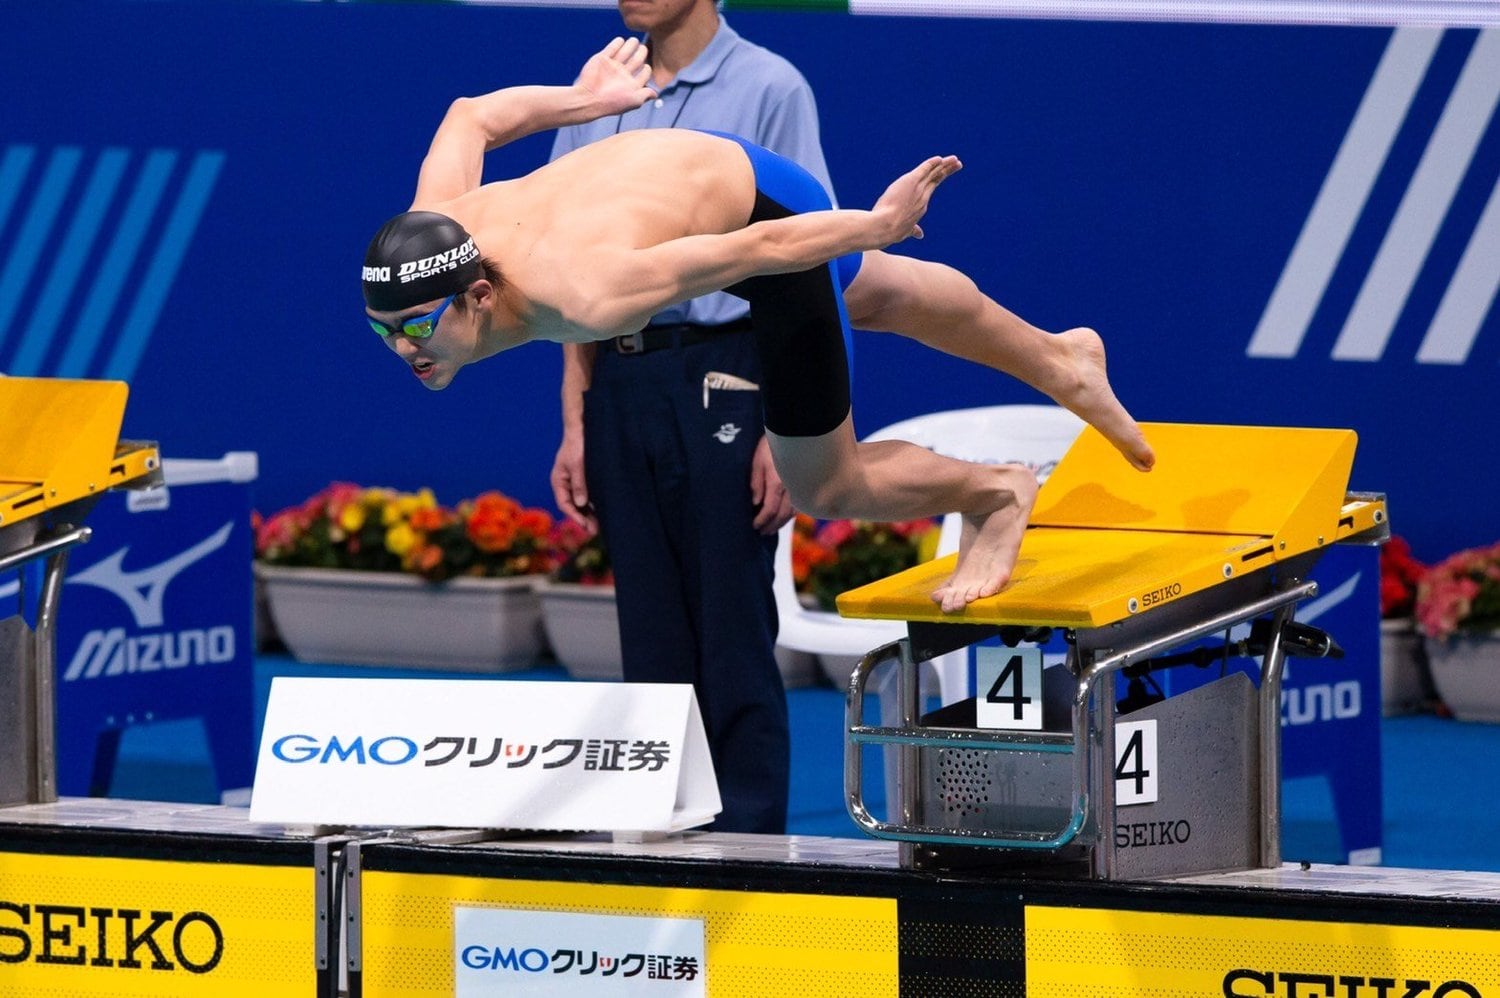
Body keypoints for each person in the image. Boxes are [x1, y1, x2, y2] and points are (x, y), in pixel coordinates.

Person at [360, 38, 1155, 624]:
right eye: (385, 332)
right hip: (682, 173)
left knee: (826, 483)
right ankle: (1062, 357)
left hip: (761, 208)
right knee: (879, 298)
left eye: (419, 327)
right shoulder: (442, 219)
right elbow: (471, 117)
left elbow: (760, 248)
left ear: (479, 292)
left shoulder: (589, 292)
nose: (406, 351)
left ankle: (999, 490)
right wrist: (592, 102)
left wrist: (870, 223)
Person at [545, 1, 835, 833]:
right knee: (650, 630)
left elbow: (807, 254)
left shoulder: (770, 87)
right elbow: (565, 271)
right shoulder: (600, 90)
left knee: (732, 626)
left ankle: (747, 841)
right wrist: (576, 419)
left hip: (729, 370)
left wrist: (788, 426)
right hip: (621, 381)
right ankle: (661, 829)